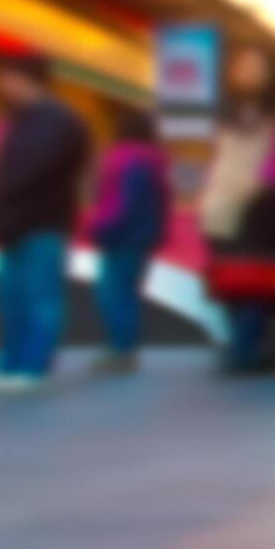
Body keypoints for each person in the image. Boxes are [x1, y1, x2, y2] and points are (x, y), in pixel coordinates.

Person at [0, 53, 90, 393]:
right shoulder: (23, 120)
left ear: (24, 78)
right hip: (15, 224)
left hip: (41, 223)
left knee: (39, 297)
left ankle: (31, 367)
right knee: (12, 298)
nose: (0, 85)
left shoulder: (58, 122)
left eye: (5, 76)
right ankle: (9, 365)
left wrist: (0, 202)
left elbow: (26, 174)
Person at [200, 44, 275, 373]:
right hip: (220, 212)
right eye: (241, 65)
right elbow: (219, 160)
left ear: (269, 73)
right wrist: (210, 198)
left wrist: (256, 189)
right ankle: (247, 342)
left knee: (252, 282)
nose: (246, 71)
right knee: (229, 283)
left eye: (255, 64)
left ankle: (246, 347)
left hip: (261, 213)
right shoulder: (225, 115)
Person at [88, 109, 170, 373]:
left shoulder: (122, 158)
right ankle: (125, 348)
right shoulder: (154, 161)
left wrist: (100, 227)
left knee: (113, 293)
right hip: (143, 237)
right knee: (127, 293)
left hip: (120, 236)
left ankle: (120, 349)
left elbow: (121, 202)